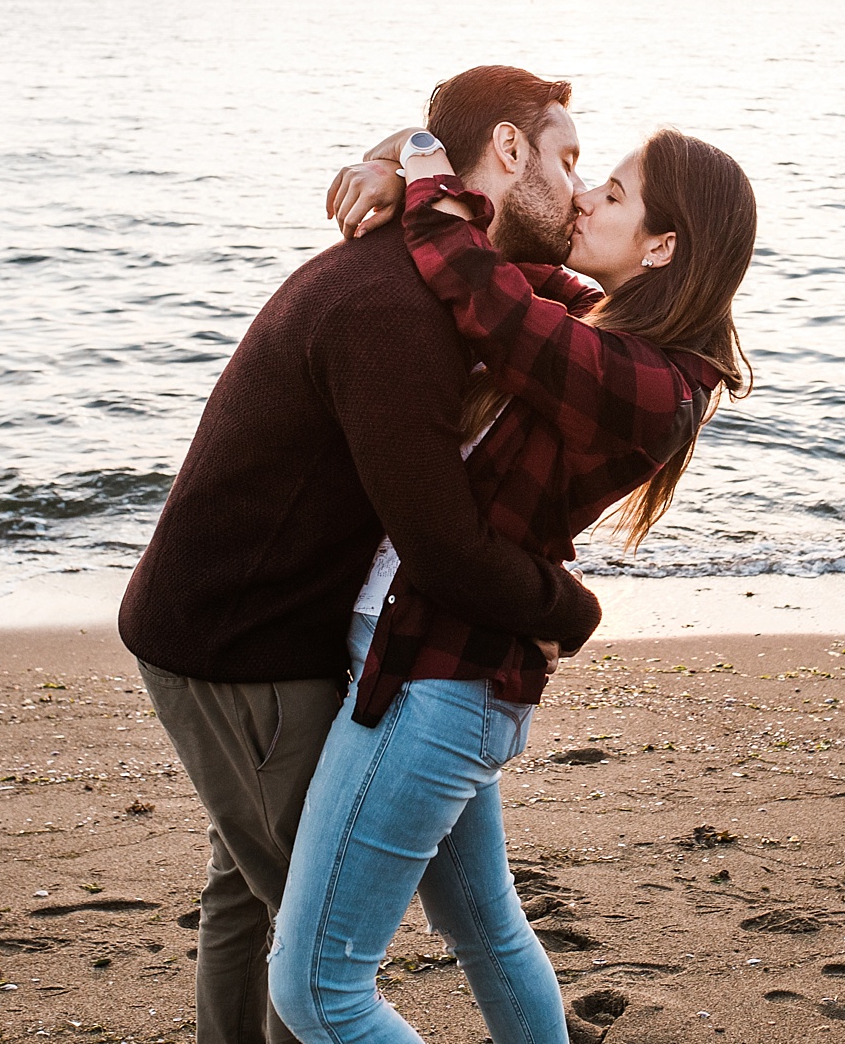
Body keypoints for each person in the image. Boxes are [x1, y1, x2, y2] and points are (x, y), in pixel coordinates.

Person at [118, 65, 602, 1044]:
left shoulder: (436, 266)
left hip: (246, 622)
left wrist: (398, 155)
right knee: (315, 949)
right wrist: (570, 611)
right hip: (235, 646)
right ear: (508, 151)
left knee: (247, 889)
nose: (582, 187)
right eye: (567, 157)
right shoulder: (396, 303)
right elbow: (442, 547)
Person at [268, 117, 757, 1044]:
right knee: (487, 929)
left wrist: (420, 165)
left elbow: (484, 296)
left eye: (611, 193)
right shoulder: (599, 323)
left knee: (319, 992)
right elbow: (492, 264)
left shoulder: (654, 383)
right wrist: (392, 161)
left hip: (438, 684)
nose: (583, 198)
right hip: (447, 667)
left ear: (662, 246)